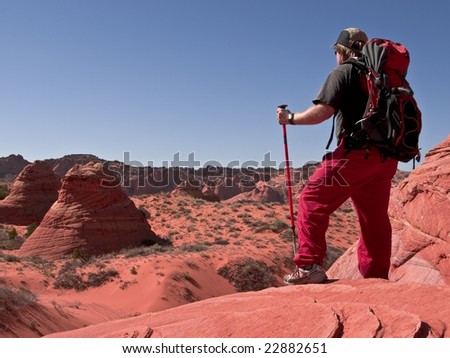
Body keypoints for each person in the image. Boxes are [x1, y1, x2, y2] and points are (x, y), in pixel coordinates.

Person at [277, 28, 398, 285]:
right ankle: (376, 277)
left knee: (312, 198)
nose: (335, 56)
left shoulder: (345, 71)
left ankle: (309, 266)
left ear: (341, 51)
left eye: (335, 51)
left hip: (356, 153)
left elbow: (322, 112)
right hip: (386, 158)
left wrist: (290, 119)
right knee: (373, 217)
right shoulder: (383, 77)